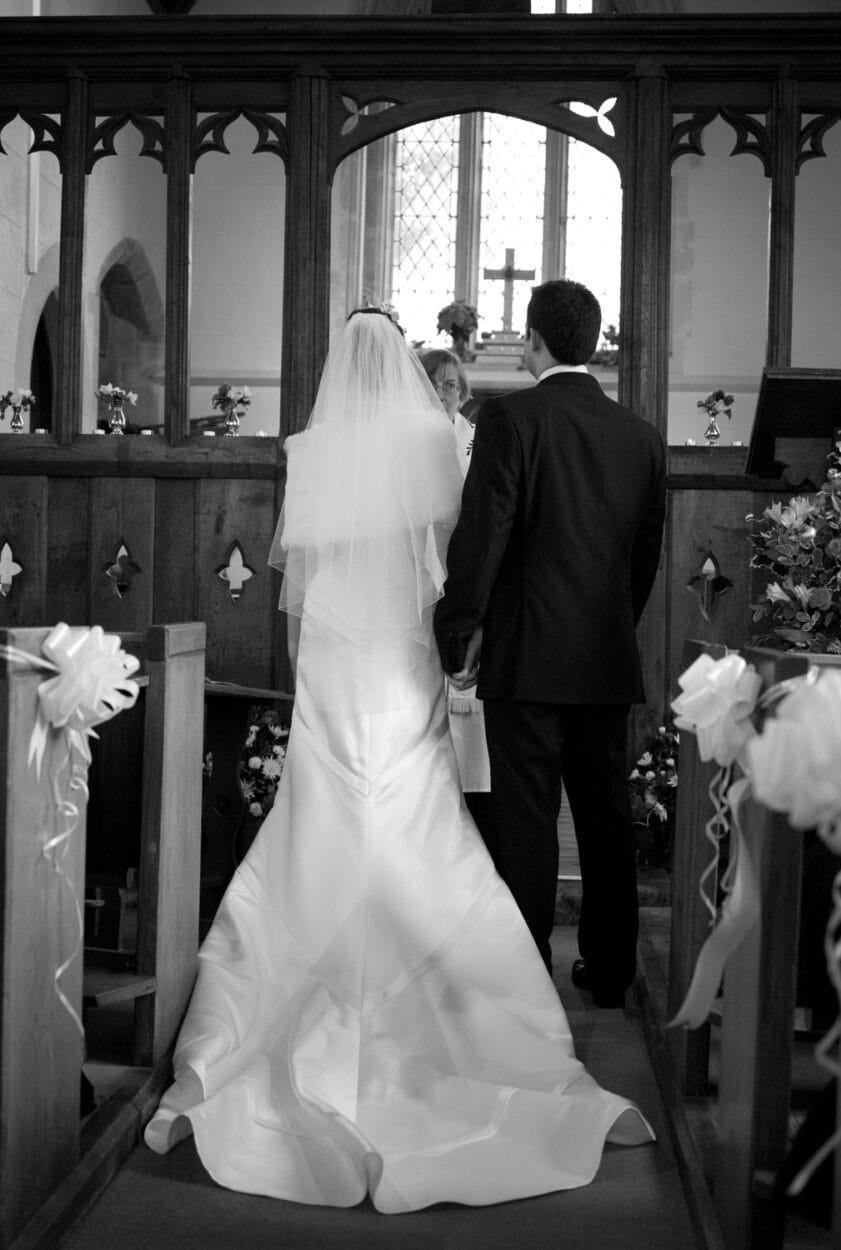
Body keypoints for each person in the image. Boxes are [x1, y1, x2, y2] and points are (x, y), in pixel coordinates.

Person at [144, 305, 653, 1211]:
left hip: (340, 638)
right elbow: (462, 545)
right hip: (414, 637)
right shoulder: (446, 434)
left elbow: (298, 585)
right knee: (439, 799)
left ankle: (308, 962)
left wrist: (313, 672)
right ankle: (520, 983)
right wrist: (454, 633)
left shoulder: (314, 447)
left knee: (331, 789)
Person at [434, 278, 666, 1008]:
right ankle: (608, 969)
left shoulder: (512, 419)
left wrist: (459, 627)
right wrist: (608, 630)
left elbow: (485, 531)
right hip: (602, 660)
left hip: (526, 656)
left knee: (527, 819)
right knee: (603, 821)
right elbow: (644, 557)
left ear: (532, 340)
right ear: (593, 343)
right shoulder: (640, 436)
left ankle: (526, 968)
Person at [419, 347, 493, 845]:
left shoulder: (478, 442)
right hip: (421, 585)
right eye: (437, 383)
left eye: (454, 385)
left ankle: (475, 826)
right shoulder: (410, 445)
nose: (447, 393)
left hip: (466, 587)